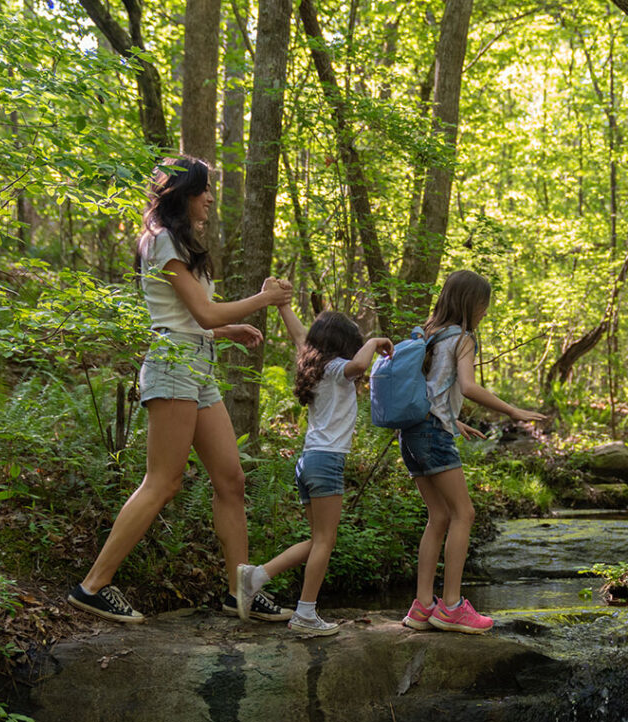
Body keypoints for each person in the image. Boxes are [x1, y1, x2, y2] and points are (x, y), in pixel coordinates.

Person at [67, 156, 295, 623]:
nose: (210, 198)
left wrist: (222, 333)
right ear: (182, 194)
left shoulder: (177, 241)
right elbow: (203, 313)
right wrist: (264, 300)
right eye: (203, 190)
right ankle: (93, 586)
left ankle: (240, 592)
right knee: (164, 481)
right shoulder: (162, 239)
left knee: (230, 478)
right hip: (172, 366)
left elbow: (191, 319)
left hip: (194, 361)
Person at [400, 270, 546, 634]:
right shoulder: (464, 338)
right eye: (484, 304)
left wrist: (454, 421)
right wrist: (512, 409)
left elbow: (430, 388)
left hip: (413, 431)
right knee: (464, 513)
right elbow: (466, 386)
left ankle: (422, 606)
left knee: (438, 516)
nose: (486, 311)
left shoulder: (427, 332)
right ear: (472, 303)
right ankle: (451, 605)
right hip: (432, 432)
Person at [235, 304, 393, 636]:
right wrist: (376, 340)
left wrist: (282, 305)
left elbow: (298, 335)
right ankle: (305, 614)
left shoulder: (315, 366)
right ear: (342, 345)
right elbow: (361, 364)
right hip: (326, 461)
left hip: (308, 461)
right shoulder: (337, 368)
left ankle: (255, 577)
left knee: (318, 539)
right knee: (325, 541)